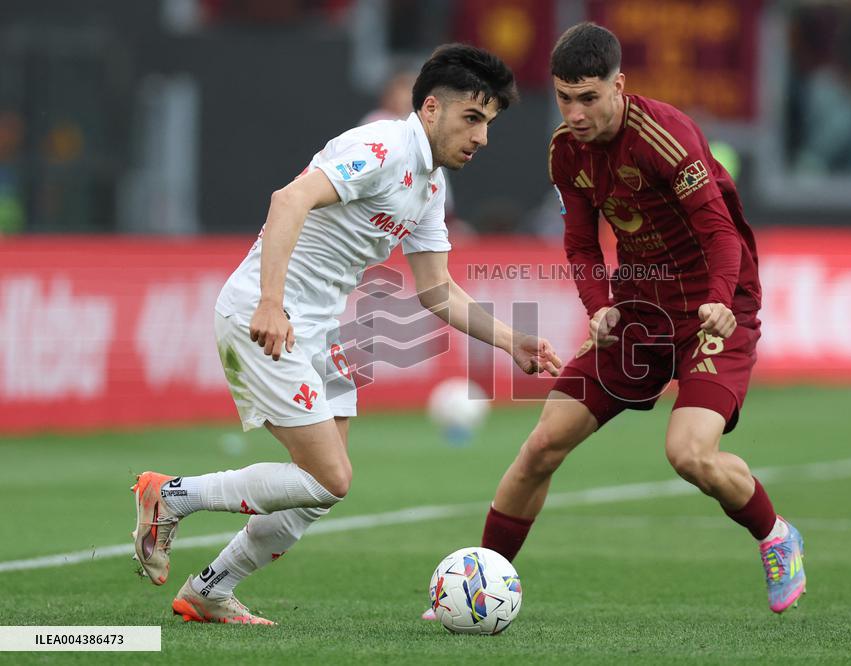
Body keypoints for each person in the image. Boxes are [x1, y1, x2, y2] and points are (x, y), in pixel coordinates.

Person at [130, 43, 562, 625]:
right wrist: (271, 303)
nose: (482, 137)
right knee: (326, 475)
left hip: (319, 327)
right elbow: (289, 200)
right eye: (473, 118)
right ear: (431, 109)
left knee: (324, 489)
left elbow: (437, 291)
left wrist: (512, 340)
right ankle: (171, 496)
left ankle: (211, 589)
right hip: (265, 321)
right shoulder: (380, 146)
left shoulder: (429, 185)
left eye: (489, 124)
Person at [427, 22, 806, 619]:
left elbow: (721, 233)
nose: (575, 113)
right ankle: (480, 584)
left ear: (618, 85)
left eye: (588, 98)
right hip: (637, 313)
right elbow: (579, 245)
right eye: (563, 98)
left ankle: (776, 535)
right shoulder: (565, 151)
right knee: (542, 445)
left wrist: (716, 299)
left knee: (689, 455)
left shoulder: (666, 137)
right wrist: (599, 306)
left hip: (716, 311)